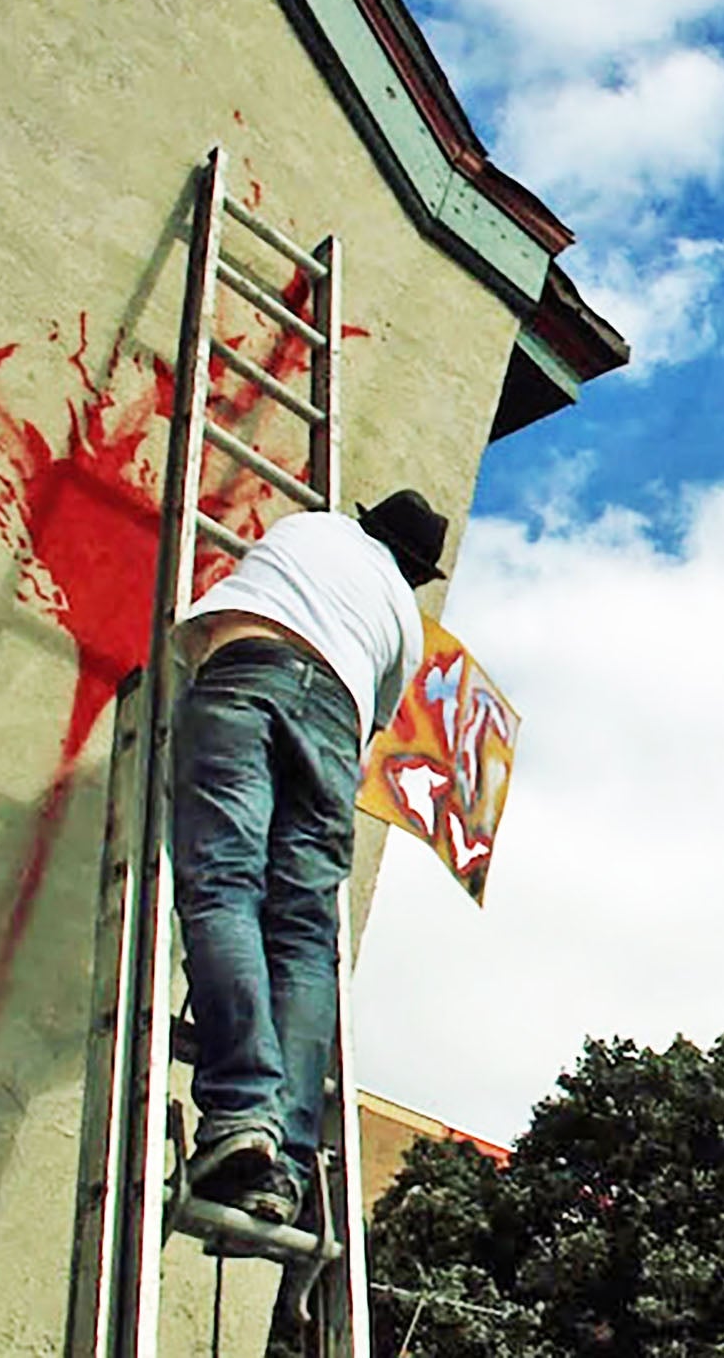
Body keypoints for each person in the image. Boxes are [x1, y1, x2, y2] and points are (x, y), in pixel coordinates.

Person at [171, 488, 448, 1223]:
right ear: (416, 570)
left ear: (367, 524)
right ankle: (285, 1167)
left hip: (249, 671)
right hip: (335, 723)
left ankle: (243, 1112)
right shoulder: (405, 623)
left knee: (224, 886)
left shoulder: (311, 528)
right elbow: (366, 741)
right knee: (301, 935)